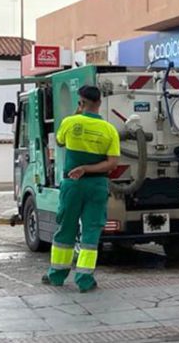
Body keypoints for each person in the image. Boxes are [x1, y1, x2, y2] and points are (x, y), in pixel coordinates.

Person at [42, 85, 120, 292]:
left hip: (73, 184)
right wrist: (88, 168)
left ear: (81, 102)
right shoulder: (109, 129)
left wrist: (77, 115)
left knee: (66, 227)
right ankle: (84, 280)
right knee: (91, 231)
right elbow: (112, 163)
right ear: (100, 103)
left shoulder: (70, 122)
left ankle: (56, 275)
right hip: (98, 185)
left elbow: (59, 142)